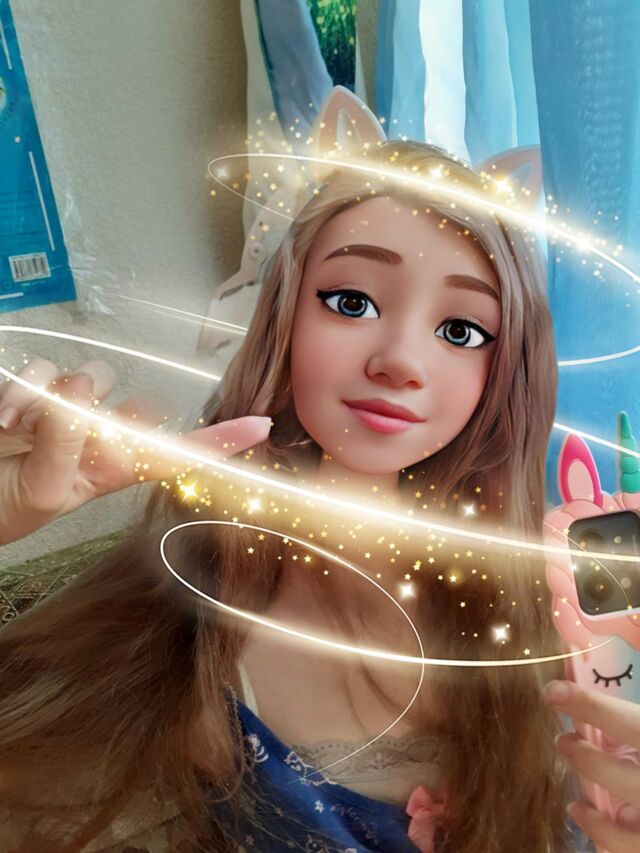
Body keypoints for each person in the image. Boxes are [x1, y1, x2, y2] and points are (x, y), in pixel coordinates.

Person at [0, 140, 632, 853]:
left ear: (505, 368)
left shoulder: (554, 612)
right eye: (351, 301)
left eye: (459, 330)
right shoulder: (187, 597)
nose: (399, 361)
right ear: (286, 320)